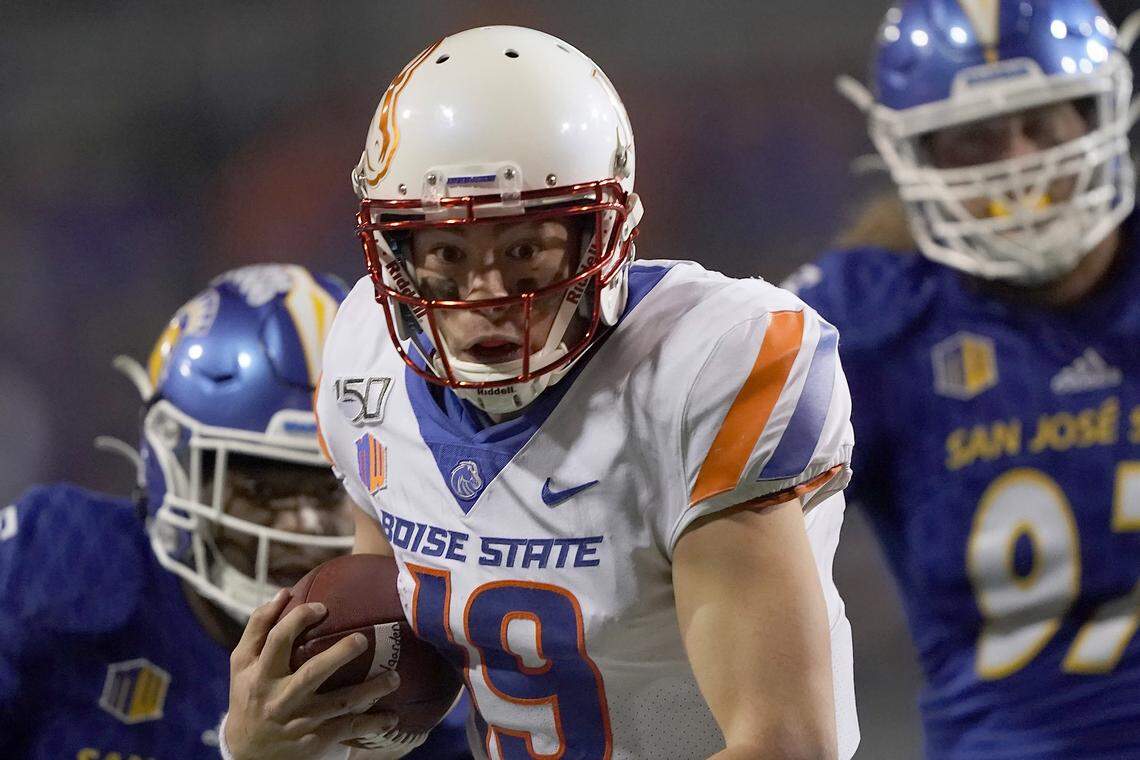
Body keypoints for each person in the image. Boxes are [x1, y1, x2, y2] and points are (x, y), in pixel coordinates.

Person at [222, 25, 860, 760]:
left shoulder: (700, 368)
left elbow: (785, 744)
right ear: (398, 253)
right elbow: (406, 674)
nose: (486, 292)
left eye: (524, 250)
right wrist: (279, 742)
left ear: (603, 234)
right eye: (448, 254)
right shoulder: (368, 362)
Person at [787, 1, 1140, 757]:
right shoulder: (870, 321)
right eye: (976, 140)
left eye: (1042, 124)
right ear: (917, 158)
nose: (1018, 167)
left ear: (1097, 115)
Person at [0, 263, 468, 759]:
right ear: (173, 467)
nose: (302, 526)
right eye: (263, 489)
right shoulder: (59, 558)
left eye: (334, 486)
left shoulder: (421, 640)